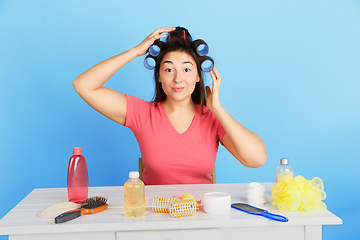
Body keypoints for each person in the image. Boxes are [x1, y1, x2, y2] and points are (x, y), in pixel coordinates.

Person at [72, 26, 267, 185]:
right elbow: (83, 85)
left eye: (186, 69)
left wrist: (218, 109)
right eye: (168, 69)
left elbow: (257, 159)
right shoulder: (142, 114)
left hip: (201, 217)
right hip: (153, 217)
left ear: (199, 76)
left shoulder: (212, 118)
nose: (178, 78)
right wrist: (135, 51)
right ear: (158, 76)